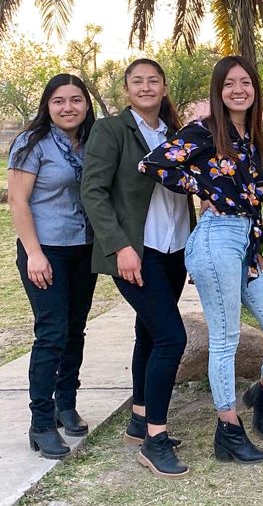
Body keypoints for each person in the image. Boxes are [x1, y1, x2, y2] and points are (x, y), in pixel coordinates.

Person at [139, 55, 263, 465]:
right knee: (225, 338)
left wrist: (260, 247)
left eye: (245, 82)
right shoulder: (205, 130)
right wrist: (202, 188)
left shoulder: (257, 136)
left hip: (246, 245)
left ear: (255, 89)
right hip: (216, 238)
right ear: (219, 91)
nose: (238, 89)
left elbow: (256, 200)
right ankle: (228, 430)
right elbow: (153, 163)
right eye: (229, 84)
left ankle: (259, 394)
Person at [81, 59, 197, 477]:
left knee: (148, 333)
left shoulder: (178, 134)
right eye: (137, 81)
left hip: (176, 250)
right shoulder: (111, 130)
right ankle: (155, 440)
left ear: (165, 87)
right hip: (137, 253)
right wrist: (120, 247)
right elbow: (92, 192)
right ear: (126, 89)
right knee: (171, 338)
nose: (146, 87)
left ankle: (138, 419)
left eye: (154, 80)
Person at [8, 74, 98, 460]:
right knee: (51, 333)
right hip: (45, 249)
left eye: (76, 100)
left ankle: (66, 403)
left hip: (84, 249)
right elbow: (17, 201)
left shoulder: (90, 143)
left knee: (75, 329)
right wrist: (35, 254)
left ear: (87, 105)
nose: (68, 107)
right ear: (47, 105)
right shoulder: (31, 144)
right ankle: (41, 422)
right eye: (59, 101)